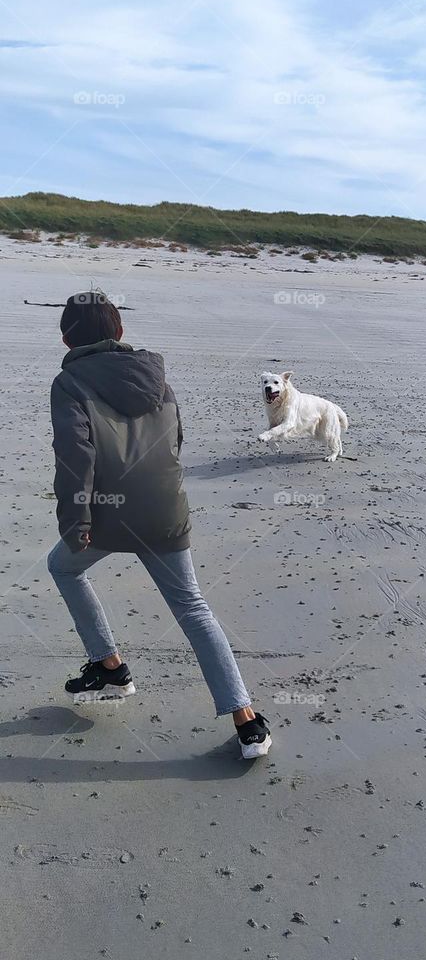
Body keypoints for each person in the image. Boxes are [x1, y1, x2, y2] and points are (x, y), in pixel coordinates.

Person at [47, 291, 271, 760]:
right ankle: (247, 722)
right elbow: (176, 439)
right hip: (165, 508)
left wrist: (76, 520)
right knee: (193, 607)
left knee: (63, 566)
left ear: (66, 339)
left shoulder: (68, 383)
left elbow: (75, 456)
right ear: (120, 332)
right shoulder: (156, 378)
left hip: (106, 513)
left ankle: (110, 666)